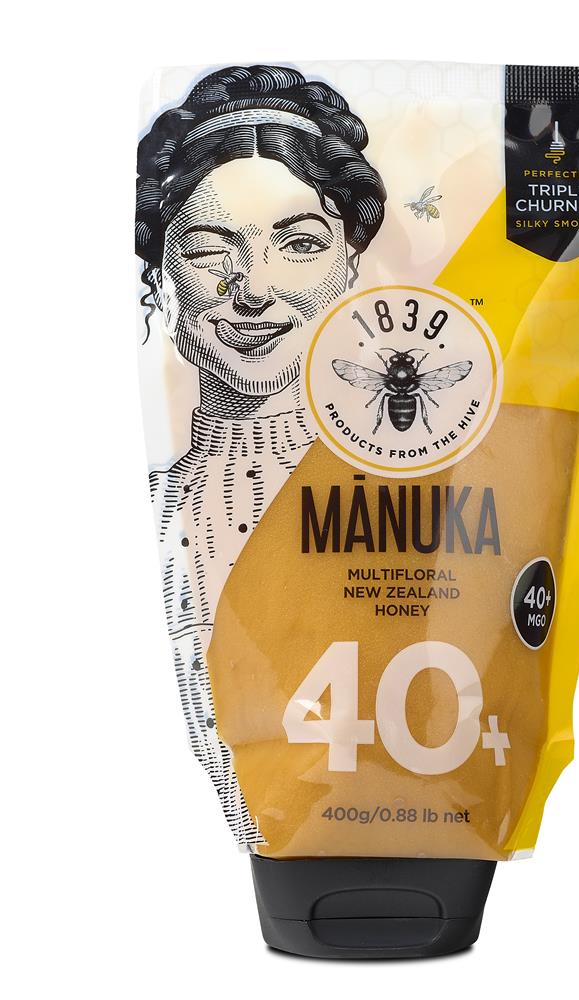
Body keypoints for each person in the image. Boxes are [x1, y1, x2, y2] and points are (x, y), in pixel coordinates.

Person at [135, 64, 386, 845]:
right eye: (211, 250)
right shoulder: (146, 515)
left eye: (299, 244)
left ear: (350, 266)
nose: (252, 289)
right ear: (160, 274)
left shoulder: (415, 505)